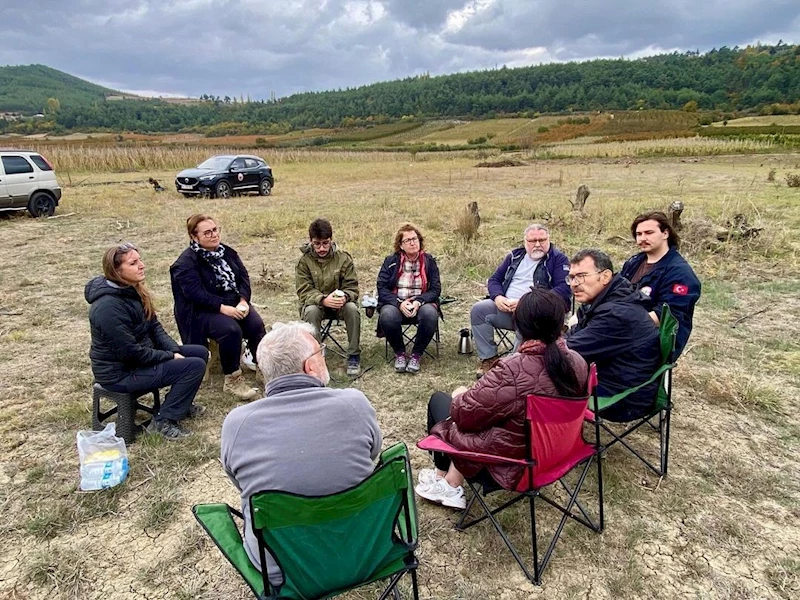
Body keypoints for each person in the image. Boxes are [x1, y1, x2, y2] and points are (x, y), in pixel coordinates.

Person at [221, 321, 382, 584]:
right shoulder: (354, 403)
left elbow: (241, 483)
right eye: (322, 353)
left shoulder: (237, 424)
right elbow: (373, 454)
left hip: (281, 568)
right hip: (365, 550)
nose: (325, 359)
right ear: (309, 366)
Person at [416, 290, 588, 509]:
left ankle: (447, 481)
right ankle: (450, 477)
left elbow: (465, 416)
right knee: (501, 412)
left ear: (519, 326)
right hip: (556, 455)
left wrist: (460, 395)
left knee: (441, 401)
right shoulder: (577, 362)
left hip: (511, 467)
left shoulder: (512, 370)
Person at [86, 243, 208, 440]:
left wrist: (173, 349)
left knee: (198, 352)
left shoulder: (131, 291)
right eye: (133, 263)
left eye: (140, 260)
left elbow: (154, 327)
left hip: (136, 360)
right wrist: (169, 356)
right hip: (120, 373)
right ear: (117, 270)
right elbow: (130, 352)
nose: (141, 265)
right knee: (193, 366)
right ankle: (163, 421)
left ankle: (179, 405)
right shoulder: (107, 308)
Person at [170, 214, 264, 401]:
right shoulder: (185, 263)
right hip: (199, 311)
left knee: (255, 324)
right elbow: (194, 294)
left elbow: (243, 278)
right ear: (194, 237)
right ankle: (232, 379)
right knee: (230, 330)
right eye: (207, 232)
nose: (214, 235)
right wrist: (223, 308)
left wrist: (244, 300)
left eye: (215, 230)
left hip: (232, 302)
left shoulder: (227, 252)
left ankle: (263, 366)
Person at [565, 249, 660, 422]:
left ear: (605, 276)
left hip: (624, 397)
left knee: (539, 379)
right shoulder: (603, 300)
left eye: (581, 276)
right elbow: (572, 337)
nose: (574, 284)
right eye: (571, 277)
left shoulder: (617, 313)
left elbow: (567, 351)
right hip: (610, 377)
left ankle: (544, 443)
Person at [470, 223, 571, 377]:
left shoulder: (558, 260)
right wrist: (498, 297)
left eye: (542, 240)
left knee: (526, 323)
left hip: (538, 313)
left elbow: (563, 290)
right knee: (479, 310)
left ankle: (512, 369)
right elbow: (494, 280)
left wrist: (527, 303)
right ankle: (489, 359)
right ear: (525, 242)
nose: (537, 244)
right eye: (532, 241)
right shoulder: (514, 257)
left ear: (549, 240)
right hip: (507, 308)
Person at [620, 211, 701, 356]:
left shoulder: (680, 273)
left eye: (649, 233)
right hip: (624, 328)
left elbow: (666, 317)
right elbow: (616, 291)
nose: (642, 239)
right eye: (639, 234)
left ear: (665, 233)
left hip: (653, 342)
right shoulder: (634, 262)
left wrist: (617, 323)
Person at [296, 218, 362, 376]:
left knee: (352, 309)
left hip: (340, 305)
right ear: (311, 241)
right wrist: (323, 299)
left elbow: (352, 287)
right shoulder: (304, 262)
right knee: (311, 311)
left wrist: (345, 297)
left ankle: (353, 355)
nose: (321, 248)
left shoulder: (343, 258)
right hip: (317, 305)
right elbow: (303, 291)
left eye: (325, 243)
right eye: (317, 244)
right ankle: (316, 354)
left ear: (331, 240)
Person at [376, 223, 442, 374]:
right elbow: (382, 288)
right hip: (397, 302)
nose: (413, 243)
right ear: (400, 245)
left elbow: (436, 289)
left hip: (421, 303)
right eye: (408, 240)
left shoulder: (429, 261)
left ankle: (416, 355)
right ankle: (399, 352)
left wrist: (419, 301)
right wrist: (399, 303)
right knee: (387, 315)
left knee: (430, 314)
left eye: (415, 239)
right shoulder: (391, 261)